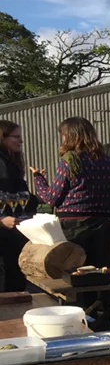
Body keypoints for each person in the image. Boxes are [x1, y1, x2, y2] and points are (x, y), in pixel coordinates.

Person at [31, 117, 110, 332]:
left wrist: (38, 179)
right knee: (103, 282)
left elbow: (52, 199)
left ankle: (81, 330)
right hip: (102, 228)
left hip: (73, 230)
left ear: (70, 136)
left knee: (74, 284)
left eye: (63, 135)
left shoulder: (69, 161)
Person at [0, 120, 36, 292]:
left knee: (16, 279)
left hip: (16, 232)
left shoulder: (11, 163)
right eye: (16, 137)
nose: (20, 141)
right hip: (4, 231)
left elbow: (19, 194)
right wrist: (0, 220)